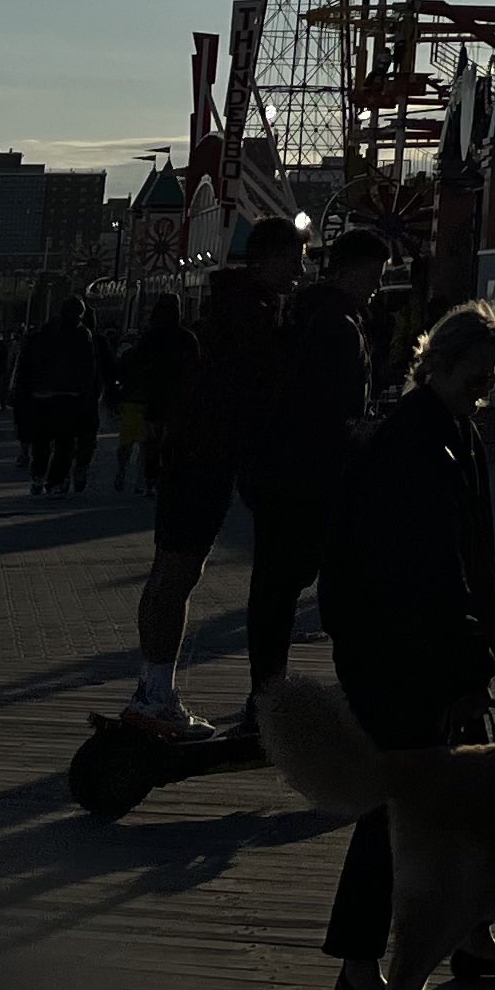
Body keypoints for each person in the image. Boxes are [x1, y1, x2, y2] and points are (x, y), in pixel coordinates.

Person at [314, 298, 495, 990]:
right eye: (480, 369)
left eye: (493, 370)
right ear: (441, 363)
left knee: (463, 800)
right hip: (403, 656)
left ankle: (468, 936)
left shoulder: (447, 430)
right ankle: (359, 958)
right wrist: (466, 666)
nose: (488, 382)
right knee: (404, 802)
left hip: (421, 650)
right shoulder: (415, 442)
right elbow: (427, 571)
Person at [127, 221, 303, 734]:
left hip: (186, 451)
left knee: (168, 571)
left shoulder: (224, 306)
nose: (300, 270)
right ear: (267, 259)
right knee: (179, 574)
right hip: (208, 457)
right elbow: (252, 393)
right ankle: (155, 698)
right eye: (294, 259)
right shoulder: (254, 316)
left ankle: (153, 689)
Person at [252, 229, 389, 694]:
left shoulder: (307, 314)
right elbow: (335, 411)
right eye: (374, 274)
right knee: (332, 585)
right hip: (319, 476)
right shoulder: (340, 325)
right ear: (351, 270)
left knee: (277, 587)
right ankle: (351, 690)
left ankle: (266, 689)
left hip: (283, 471)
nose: (377, 284)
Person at [17, 293, 106, 495]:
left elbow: (28, 364)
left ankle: (38, 474)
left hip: (42, 395)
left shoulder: (43, 334)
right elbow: (89, 368)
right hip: (70, 396)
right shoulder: (83, 335)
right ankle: (56, 480)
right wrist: (89, 392)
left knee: (42, 440)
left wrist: (24, 391)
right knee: (64, 443)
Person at [120, 290, 195, 495]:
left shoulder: (150, 337)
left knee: (153, 440)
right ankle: (170, 476)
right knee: (174, 439)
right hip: (178, 398)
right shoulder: (186, 338)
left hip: (154, 396)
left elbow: (137, 363)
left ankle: (152, 479)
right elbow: (195, 368)